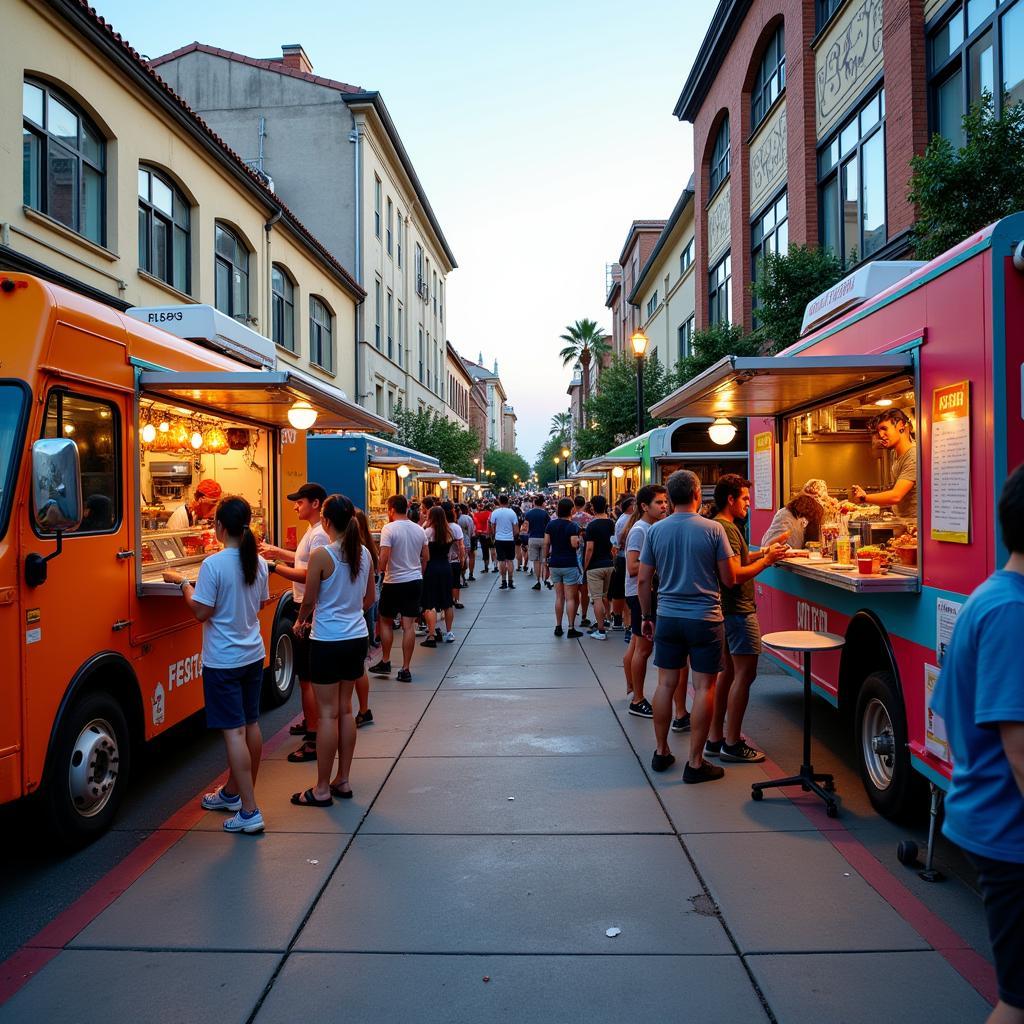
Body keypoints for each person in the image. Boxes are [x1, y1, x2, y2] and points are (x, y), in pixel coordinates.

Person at [930, 464, 1024, 1024]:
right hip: (1011, 835)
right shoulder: (1013, 612)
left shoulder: (989, 597)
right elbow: (1019, 751)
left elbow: (951, 711)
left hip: (991, 825)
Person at [163, 496, 270, 833]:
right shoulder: (260, 563)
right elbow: (262, 603)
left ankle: (250, 811)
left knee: (234, 732)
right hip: (253, 654)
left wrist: (181, 583)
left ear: (220, 527)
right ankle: (234, 794)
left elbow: (200, 611)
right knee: (250, 725)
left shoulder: (214, 565)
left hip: (223, 660)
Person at [639, 470, 737, 784]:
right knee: (705, 687)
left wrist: (646, 616)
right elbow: (729, 578)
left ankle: (662, 750)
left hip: (667, 615)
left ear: (671, 497)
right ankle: (695, 762)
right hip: (705, 618)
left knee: (665, 684)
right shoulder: (714, 530)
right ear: (697, 494)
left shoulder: (655, 531)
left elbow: (643, 579)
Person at [290, 494, 375, 807]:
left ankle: (322, 788)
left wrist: (301, 623)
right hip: (356, 637)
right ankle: (343, 779)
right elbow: (369, 599)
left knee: (326, 714)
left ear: (326, 521)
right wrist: (350, 610)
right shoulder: (363, 553)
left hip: (327, 640)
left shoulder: (322, 555)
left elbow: (309, 600)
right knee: (345, 710)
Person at [705, 475, 786, 763]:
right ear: (731, 499)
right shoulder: (727, 529)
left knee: (726, 674)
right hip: (738, 609)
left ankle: (716, 738)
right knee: (745, 673)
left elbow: (737, 559)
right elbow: (734, 575)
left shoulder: (721, 526)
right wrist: (767, 561)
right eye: (745, 499)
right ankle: (732, 742)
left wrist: (764, 552)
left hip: (725, 611)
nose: (748, 505)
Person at [260, 482, 329, 763]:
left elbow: (311, 574)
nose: (295, 506)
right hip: (306, 606)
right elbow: (304, 562)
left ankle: (313, 736)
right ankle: (310, 723)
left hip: (309, 609)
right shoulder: (313, 532)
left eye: (299, 502)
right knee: (305, 677)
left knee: (307, 678)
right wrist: (278, 552)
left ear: (315, 504)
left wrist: (274, 567)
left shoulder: (320, 535)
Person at [622, 485, 669, 719]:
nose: (664, 506)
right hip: (641, 594)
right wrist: (661, 560)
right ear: (644, 506)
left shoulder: (649, 527)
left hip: (643, 592)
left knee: (636, 646)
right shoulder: (641, 530)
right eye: (659, 503)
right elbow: (632, 567)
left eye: (665, 502)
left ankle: (633, 691)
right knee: (644, 648)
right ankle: (638, 699)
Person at [369, 494, 427, 683]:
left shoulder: (389, 528)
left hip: (394, 581)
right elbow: (426, 556)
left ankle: (385, 661)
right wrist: (420, 573)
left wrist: (380, 572)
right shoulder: (419, 530)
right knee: (408, 625)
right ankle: (405, 668)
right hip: (414, 580)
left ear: (392, 509)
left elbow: (384, 555)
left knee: (385, 621)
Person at [851, 408, 917, 518]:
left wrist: (864, 498)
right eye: (879, 431)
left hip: (915, 524)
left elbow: (896, 496)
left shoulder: (913, 456)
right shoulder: (895, 454)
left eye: (884, 429)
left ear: (901, 425)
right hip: (902, 520)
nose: (881, 435)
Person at [353, 508, 379, 727]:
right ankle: (363, 708)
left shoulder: (353, 551)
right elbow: (371, 595)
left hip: (345, 623)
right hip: (359, 617)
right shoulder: (367, 549)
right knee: (358, 667)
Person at [421, 505, 462, 645]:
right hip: (445, 566)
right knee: (447, 601)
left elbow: (423, 553)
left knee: (430, 602)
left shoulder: (427, 532)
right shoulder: (449, 532)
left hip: (431, 567)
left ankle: (431, 634)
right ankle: (449, 632)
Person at [544, 497, 583, 638]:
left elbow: (547, 543)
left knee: (559, 597)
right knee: (570, 598)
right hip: (569, 563)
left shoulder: (551, 525)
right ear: (571, 510)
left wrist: (545, 560)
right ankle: (571, 627)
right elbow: (574, 545)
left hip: (555, 563)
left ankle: (558, 626)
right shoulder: (573, 526)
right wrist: (578, 541)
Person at [583, 494, 616, 641]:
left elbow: (589, 548)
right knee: (605, 596)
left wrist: (585, 566)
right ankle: (607, 619)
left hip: (595, 565)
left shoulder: (591, 525)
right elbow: (614, 545)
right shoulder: (611, 523)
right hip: (609, 564)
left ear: (592, 508)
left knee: (596, 598)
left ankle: (601, 630)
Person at [610, 496, 634, 633]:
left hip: (622, 557)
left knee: (621, 589)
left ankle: (620, 618)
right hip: (624, 557)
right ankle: (623, 619)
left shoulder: (624, 519)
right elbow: (620, 541)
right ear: (630, 506)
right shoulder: (627, 520)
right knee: (623, 589)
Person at [490, 494, 520, 589]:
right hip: (509, 539)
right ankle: (510, 581)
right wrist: (514, 536)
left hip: (499, 539)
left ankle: (503, 581)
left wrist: (495, 534)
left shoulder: (495, 512)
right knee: (510, 560)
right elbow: (516, 530)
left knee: (501, 560)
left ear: (499, 502)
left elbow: (492, 526)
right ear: (508, 502)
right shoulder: (512, 513)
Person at [442, 500, 467, 615]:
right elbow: (460, 545)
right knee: (455, 581)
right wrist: (462, 558)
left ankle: (445, 599)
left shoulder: (438, 527)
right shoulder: (456, 527)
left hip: (442, 560)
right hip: (454, 559)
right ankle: (456, 600)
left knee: (444, 582)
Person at [524, 495, 551, 590]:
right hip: (544, 538)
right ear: (542, 503)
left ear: (534, 503)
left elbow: (525, 528)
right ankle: (545, 579)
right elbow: (549, 528)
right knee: (543, 561)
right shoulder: (545, 514)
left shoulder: (528, 514)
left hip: (532, 538)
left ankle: (537, 581)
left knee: (536, 561)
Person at [458, 503, 476, 584]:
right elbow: (471, 531)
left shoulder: (455, 519)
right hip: (466, 540)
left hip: (457, 541)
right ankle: (468, 574)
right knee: (466, 558)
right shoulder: (468, 518)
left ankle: (460, 576)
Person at [472, 501, 492, 572]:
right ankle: (495, 566)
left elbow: (475, 525)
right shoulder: (489, 514)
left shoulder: (476, 515)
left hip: (481, 534)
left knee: (485, 551)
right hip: (489, 534)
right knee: (492, 550)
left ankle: (486, 567)